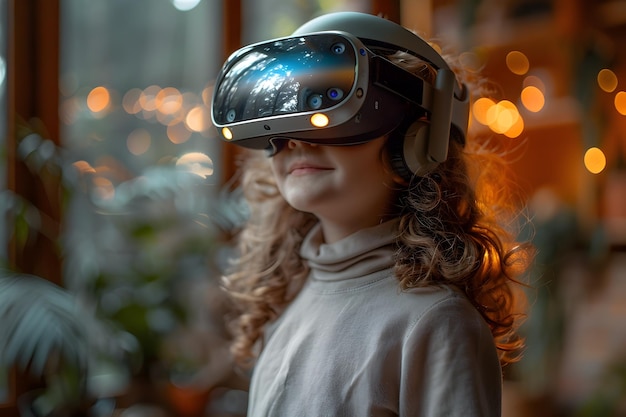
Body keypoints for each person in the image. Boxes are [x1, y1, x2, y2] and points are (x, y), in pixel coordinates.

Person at [211, 11, 532, 417]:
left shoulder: (435, 323)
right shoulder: (289, 298)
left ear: (418, 140)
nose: (296, 138)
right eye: (282, 113)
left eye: (332, 105)